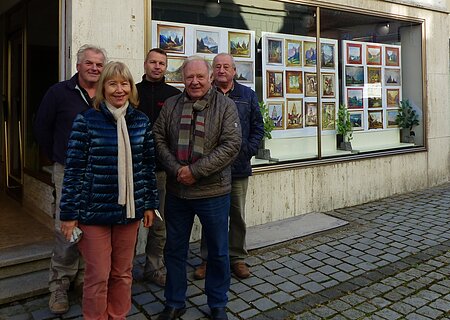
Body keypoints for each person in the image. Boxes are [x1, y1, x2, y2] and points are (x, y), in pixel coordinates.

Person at [59, 61, 159, 319]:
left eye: (124, 83)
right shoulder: (86, 120)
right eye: (112, 83)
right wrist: (69, 214)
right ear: (103, 87)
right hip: (93, 212)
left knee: (123, 273)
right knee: (98, 275)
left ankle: (117, 316)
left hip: (130, 211)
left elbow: (148, 166)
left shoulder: (141, 122)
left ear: (130, 87)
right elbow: (74, 170)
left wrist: (150, 204)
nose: (119, 89)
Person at [153, 56, 241, 320]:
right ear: (182, 78)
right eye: (189, 77)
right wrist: (175, 169)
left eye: (200, 77)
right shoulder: (170, 105)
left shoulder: (225, 106)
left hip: (213, 193)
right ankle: (175, 301)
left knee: (217, 251)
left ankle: (217, 303)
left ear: (210, 78)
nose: (194, 82)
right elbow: (157, 138)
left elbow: (231, 145)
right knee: (174, 249)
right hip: (177, 193)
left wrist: (195, 171)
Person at [34, 44, 107, 314]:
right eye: (89, 63)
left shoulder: (106, 94)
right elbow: (42, 128)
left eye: (99, 64)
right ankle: (59, 285)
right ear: (78, 65)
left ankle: (84, 278)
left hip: (100, 172)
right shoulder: (58, 93)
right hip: (68, 171)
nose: (94, 68)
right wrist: (58, 157)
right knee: (67, 228)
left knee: (94, 227)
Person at [194, 53, 264, 280]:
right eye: (218, 67)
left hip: (238, 168)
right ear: (212, 72)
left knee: (237, 215)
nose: (222, 70)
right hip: (211, 169)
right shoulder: (204, 94)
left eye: (227, 67)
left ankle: (237, 258)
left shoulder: (247, 95)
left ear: (234, 71)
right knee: (211, 216)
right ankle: (208, 258)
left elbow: (258, 129)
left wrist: (246, 153)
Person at [136, 48, 180, 287]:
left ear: (166, 67)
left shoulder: (174, 95)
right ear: (145, 64)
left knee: (160, 224)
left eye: (161, 63)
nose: (157, 66)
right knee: (129, 224)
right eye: (153, 62)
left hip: (162, 171)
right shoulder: (131, 91)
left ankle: (154, 267)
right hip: (134, 170)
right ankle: (122, 271)